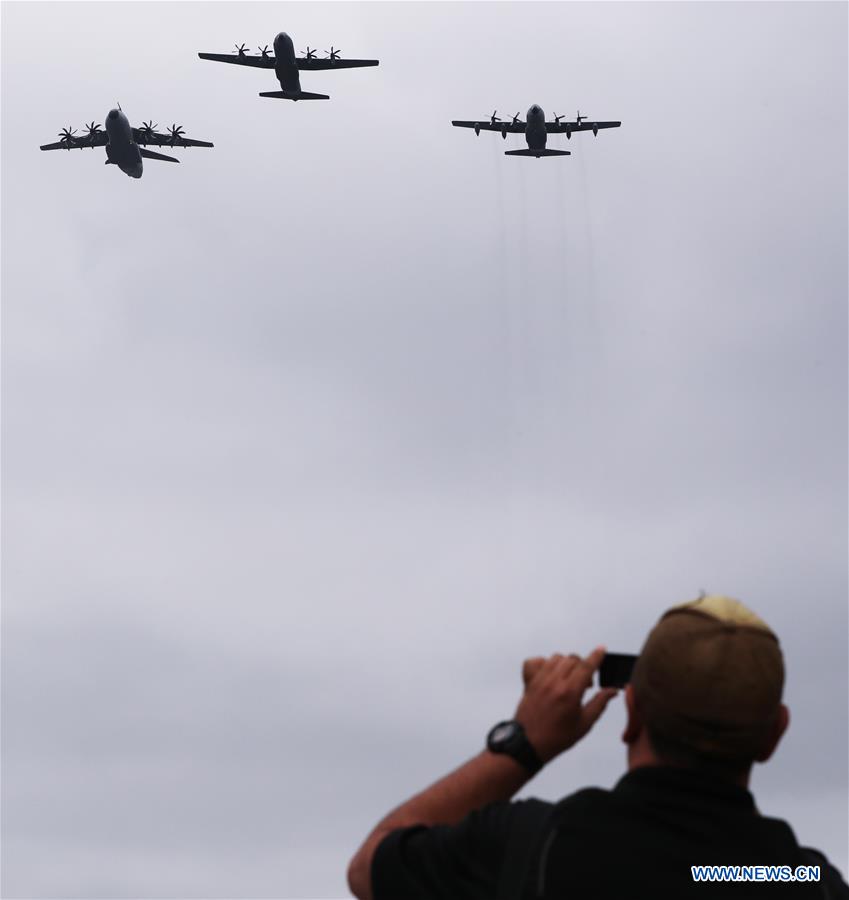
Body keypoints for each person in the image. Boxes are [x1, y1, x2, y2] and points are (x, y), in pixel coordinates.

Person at [347, 595, 848, 899]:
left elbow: (369, 866)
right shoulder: (799, 880)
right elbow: (710, 874)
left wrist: (522, 746)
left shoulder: (533, 847)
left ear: (630, 715)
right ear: (774, 734)